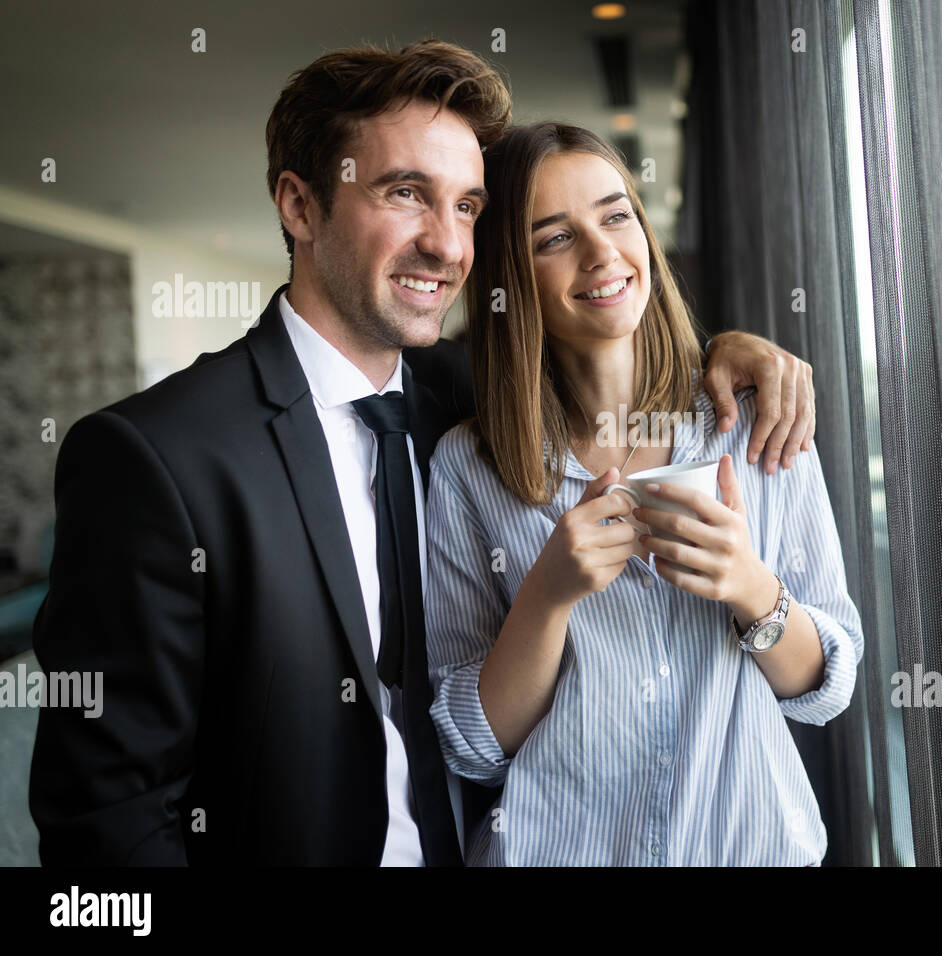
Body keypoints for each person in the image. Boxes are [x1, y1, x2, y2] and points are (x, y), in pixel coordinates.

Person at [27, 41, 818, 866]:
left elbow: (599, 342)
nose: (447, 245)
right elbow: (104, 820)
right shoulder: (157, 457)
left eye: (468, 207)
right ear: (299, 205)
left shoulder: (462, 400)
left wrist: (734, 352)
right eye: (405, 194)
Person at [426, 123, 863, 866]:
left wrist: (751, 588)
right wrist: (548, 595)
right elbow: (473, 744)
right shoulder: (470, 467)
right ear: (510, 277)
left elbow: (828, 686)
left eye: (616, 214)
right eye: (554, 238)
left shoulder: (756, 422)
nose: (602, 254)